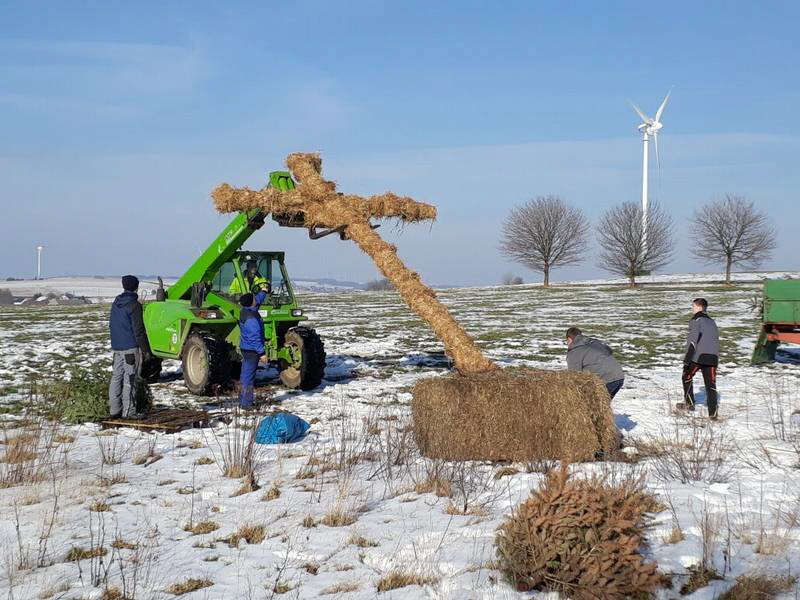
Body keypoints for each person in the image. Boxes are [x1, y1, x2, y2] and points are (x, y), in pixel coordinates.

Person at [108, 275, 152, 419]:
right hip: (130, 348)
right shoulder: (134, 305)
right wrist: (146, 350)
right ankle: (129, 412)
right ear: (136, 287)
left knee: (116, 378)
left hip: (117, 347)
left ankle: (114, 410)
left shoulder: (116, 302)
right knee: (130, 380)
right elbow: (138, 330)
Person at [677, 298, 719, 419]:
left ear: (699, 307)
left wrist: (687, 360)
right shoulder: (712, 321)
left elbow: (692, 342)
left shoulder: (696, 320)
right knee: (711, 385)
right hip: (713, 358)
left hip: (699, 357)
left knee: (686, 376)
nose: (692, 308)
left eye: (693, 306)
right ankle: (713, 414)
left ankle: (689, 404)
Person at [565, 327, 625, 398]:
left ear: (569, 339)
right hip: (619, 375)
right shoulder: (593, 342)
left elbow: (574, 375)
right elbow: (609, 351)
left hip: (606, 380)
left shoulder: (574, 352)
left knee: (591, 405)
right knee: (602, 406)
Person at [238, 286, 268, 409]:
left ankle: (243, 400)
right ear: (251, 303)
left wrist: (264, 291)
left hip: (247, 348)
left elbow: (258, 300)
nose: (256, 299)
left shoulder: (247, 310)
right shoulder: (252, 320)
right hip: (251, 351)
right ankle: (246, 404)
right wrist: (262, 354)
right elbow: (254, 339)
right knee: (248, 377)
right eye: (254, 298)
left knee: (246, 374)